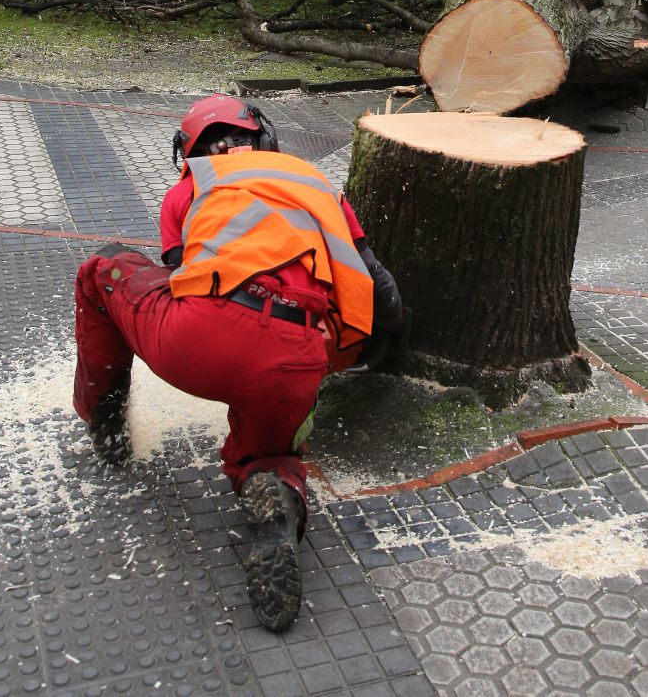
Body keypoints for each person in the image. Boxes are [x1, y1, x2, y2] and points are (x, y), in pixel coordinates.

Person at [73, 95, 403, 632]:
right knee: (273, 452)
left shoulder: (188, 189)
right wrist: (387, 342)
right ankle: (278, 501)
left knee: (101, 272)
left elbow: (181, 275)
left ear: (190, 151)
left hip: (199, 343)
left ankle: (106, 425)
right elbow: (379, 287)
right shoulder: (314, 183)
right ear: (265, 139)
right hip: (296, 355)